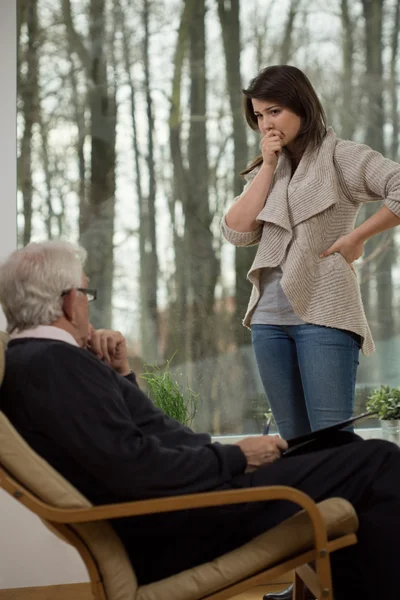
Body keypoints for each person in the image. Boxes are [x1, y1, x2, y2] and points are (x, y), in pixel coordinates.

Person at [1, 242, 400, 600]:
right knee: (380, 461)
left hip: (185, 504)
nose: (88, 304)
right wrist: (238, 458)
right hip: (192, 519)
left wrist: (119, 374)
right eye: (86, 293)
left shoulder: (41, 362)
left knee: (344, 446)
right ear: (70, 302)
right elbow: (134, 469)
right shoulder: (56, 366)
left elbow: (129, 443)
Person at [222, 65, 400, 444]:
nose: (266, 123)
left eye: (275, 111)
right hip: (268, 321)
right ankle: (309, 506)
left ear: (302, 105)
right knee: (295, 444)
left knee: (332, 441)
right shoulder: (270, 169)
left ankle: (349, 506)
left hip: (326, 313)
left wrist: (358, 237)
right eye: (258, 115)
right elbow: (236, 231)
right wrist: (268, 166)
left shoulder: (342, 157)